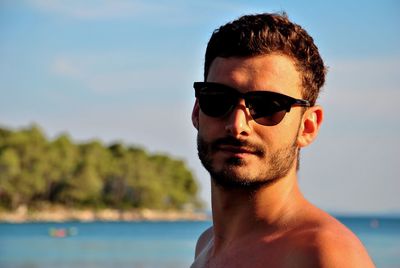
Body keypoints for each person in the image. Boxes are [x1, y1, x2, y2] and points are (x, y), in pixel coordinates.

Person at [190, 13, 375, 267]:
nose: (237, 125)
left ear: (308, 126)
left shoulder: (326, 256)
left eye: (267, 106)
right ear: (197, 111)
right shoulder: (207, 245)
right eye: (218, 99)